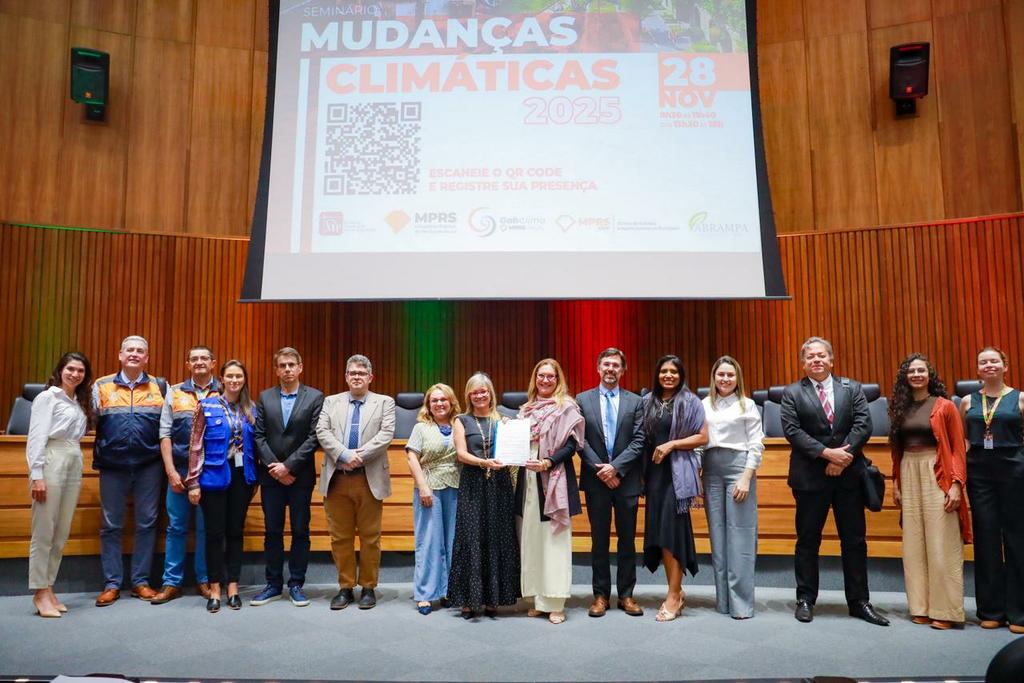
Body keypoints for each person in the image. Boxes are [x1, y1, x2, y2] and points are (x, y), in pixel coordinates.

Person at [781, 336, 888, 626]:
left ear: (831, 359)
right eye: (810, 357)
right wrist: (827, 454)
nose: (816, 360)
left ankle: (859, 601)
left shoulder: (852, 389)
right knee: (807, 541)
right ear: (803, 364)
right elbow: (792, 431)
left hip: (849, 477)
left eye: (821, 356)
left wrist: (842, 459)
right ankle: (805, 599)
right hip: (809, 479)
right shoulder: (792, 393)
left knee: (854, 541)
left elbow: (863, 425)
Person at [889, 353, 970, 629]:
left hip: (938, 471)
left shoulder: (945, 406)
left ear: (929, 374)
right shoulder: (900, 408)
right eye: (911, 371)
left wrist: (957, 484)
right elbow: (896, 449)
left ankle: (945, 611)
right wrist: (896, 482)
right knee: (913, 543)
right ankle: (920, 606)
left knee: (941, 542)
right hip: (908, 470)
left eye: (921, 370)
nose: (916, 375)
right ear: (905, 377)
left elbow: (959, 449)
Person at [92, 335, 167, 606]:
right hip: (112, 466)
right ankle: (112, 583)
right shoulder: (101, 385)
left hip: (149, 464)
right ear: (120, 355)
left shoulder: (160, 386)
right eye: (130, 350)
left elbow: (166, 426)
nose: (134, 354)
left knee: (147, 524)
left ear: (146, 357)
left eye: (140, 351)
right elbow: (93, 422)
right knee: (110, 525)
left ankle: (140, 582)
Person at [317, 354, 395, 611]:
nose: (357, 377)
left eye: (362, 373)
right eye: (353, 373)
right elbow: (322, 432)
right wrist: (343, 455)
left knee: (370, 537)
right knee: (340, 537)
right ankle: (345, 587)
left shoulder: (385, 402)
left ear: (370, 377)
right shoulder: (330, 402)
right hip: (337, 478)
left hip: (368, 478)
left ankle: (369, 587)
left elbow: (386, 435)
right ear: (346, 377)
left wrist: (357, 456)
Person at [251, 347, 324, 607]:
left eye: (292, 364)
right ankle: (272, 584)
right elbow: (258, 436)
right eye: (282, 365)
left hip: (300, 477)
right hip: (271, 478)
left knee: (300, 531)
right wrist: (276, 468)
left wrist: (289, 467)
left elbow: (314, 437)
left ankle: (295, 583)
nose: (287, 369)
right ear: (276, 370)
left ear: (300, 367)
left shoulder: (315, 397)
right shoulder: (265, 397)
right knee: (272, 532)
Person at [575, 347, 645, 617]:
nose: (610, 369)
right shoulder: (582, 399)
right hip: (596, 482)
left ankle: (626, 595)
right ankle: (601, 595)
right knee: (599, 540)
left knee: (627, 540)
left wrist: (615, 468)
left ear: (623, 370)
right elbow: (580, 441)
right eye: (606, 365)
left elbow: (639, 440)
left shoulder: (635, 402)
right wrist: (602, 470)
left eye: (616, 365)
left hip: (626, 481)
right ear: (598, 368)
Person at [960, 346, 1024, 633]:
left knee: (1016, 539)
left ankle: (1019, 612)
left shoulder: (1020, 399)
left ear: (1004, 366)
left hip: (1014, 470)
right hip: (980, 474)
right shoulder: (966, 401)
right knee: (986, 539)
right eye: (983, 362)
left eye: (994, 361)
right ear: (977, 369)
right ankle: (991, 610)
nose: (988, 365)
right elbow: (963, 441)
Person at [186, 360, 258, 613]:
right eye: (230, 376)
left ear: (244, 379)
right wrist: (193, 482)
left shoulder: (251, 409)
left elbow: (256, 447)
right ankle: (215, 588)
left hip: (242, 477)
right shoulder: (206, 406)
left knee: (235, 532)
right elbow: (196, 446)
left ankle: (233, 587)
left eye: (239, 376)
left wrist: (254, 479)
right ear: (222, 379)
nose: (235, 380)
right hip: (214, 477)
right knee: (214, 534)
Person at [517, 358, 585, 625]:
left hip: (553, 478)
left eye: (550, 376)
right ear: (535, 379)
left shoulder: (566, 408)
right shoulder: (525, 410)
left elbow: (572, 446)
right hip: (529, 481)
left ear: (558, 380)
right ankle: (536, 599)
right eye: (541, 376)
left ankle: (555, 601)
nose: (545, 380)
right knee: (532, 538)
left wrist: (548, 462)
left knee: (554, 541)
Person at [447, 372, 520, 618]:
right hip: (473, 484)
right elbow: (461, 454)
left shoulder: (505, 421)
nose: (479, 395)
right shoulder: (461, 420)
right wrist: (483, 462)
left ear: (491, 393)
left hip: (499, 486)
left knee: (497, 538)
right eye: (474, 392)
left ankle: (493, 598)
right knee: (471, 539)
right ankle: (468, 600)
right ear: (468, 395)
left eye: (484, 391)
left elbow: (515, 449)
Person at [641, 354, 707, 622]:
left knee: (672, 534)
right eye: (664, 371)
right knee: (660, 534)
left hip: (676, 477)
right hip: (652, 476)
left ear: (681, 375)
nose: (668, 375)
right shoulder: (647, 402)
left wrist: (671, 445)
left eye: (674, 372)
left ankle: (673, 594)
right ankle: (675, 590)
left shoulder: (691, 401)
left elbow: (703, 436)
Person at [152, 345, 219, 605]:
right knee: (176, 528)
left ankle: (205, 579)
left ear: (213, 363)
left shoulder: (223, 392)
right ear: (187, 364)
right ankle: (171, 582)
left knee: (206, 529)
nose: (199, 362)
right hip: (178, 475)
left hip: (210, 477)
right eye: (194, 359)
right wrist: (170, 471)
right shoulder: (175, 392)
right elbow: (164, 433)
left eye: (204, 358)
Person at [27, 352, 92, 617]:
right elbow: (36, 437)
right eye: (70, 369)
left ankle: (49, 587)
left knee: (61, 531)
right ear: (60, 370)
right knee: (44, 529)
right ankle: (39, 592)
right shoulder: (48, 397)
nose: (75, 374)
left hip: (73, 459)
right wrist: (37, 474)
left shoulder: (78, 401)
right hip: (51, 458)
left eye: (80, 370)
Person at [701, 355, 764, 619]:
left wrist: (746, 477)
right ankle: (723, 601)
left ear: (737, 378)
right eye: (720, 375)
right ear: (713, 378)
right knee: (718, 536)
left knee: (740, 536)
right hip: (711, 470)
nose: (725, 379)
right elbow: (697, 441)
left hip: (738, 469)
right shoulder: (703, 405)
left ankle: (741, 604)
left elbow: (756, 443)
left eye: (730, 375)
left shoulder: (747, 405)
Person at [405, 383, 461, 614]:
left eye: (443, 399)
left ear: (451, 402)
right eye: (434, 400)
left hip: (456, 487)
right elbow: (412, 458)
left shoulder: (460, 424)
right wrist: (423, 487)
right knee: (428, 542)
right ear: (428, 404)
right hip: (430, 489)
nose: (439, 404)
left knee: (453, 542)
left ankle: (448, 591)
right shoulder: (421, 428)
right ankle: (425, 594)